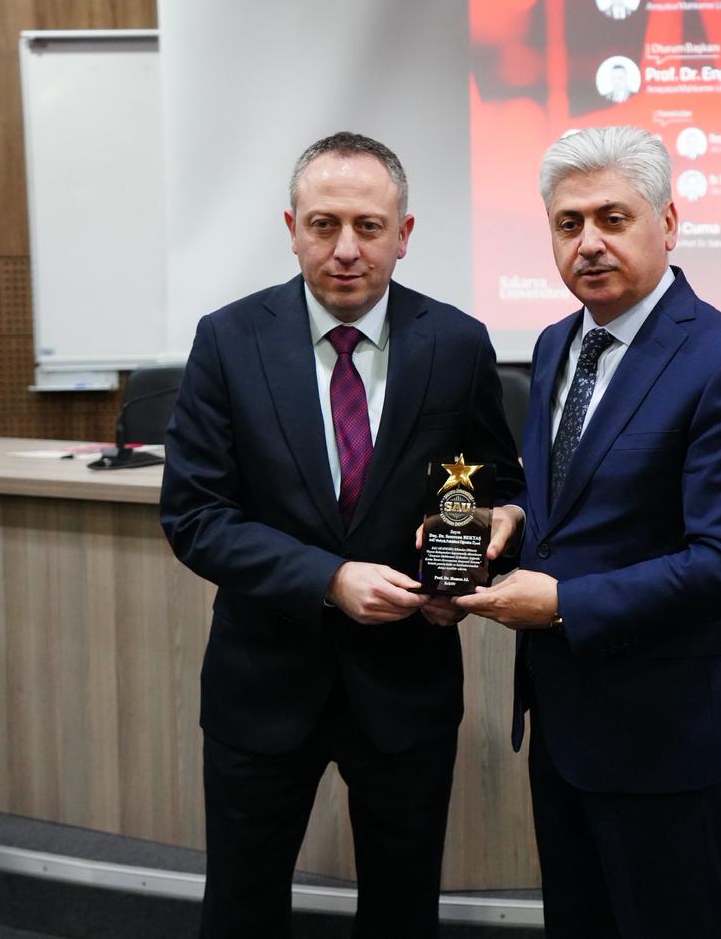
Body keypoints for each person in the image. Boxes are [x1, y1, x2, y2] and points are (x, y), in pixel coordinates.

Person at [159, 131, 524, 938]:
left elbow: (496, 489)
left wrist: (472, 569)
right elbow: (195, 516)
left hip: (407, 685)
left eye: (369, 226)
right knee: (242, 910)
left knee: (403, 911)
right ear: (292, 228)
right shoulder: (229, 340)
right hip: (262, 685)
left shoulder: (458, 344)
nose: (347, 249)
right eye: (324, 225)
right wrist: (327, 578)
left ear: (404, 233)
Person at [456, 126, 721, 939]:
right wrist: (518, 518)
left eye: (613, 218)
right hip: (562, 725)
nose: (590, 243)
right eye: (568, 224)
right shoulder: (555, 344)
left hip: (663, 736)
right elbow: (580, 500)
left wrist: (562, 603)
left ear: (667, 224)